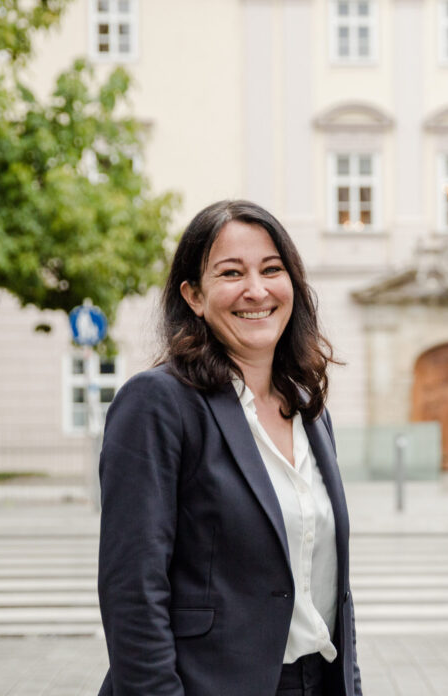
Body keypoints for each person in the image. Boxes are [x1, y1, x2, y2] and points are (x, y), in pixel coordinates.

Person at [97, 200, 361, 696]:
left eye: (272, 269)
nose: (256, 290)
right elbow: (132, 591)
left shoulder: (307, 408)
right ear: (194, 295)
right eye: (231, 272)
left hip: (315, 679)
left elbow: (328, 592)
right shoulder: (158, 403)